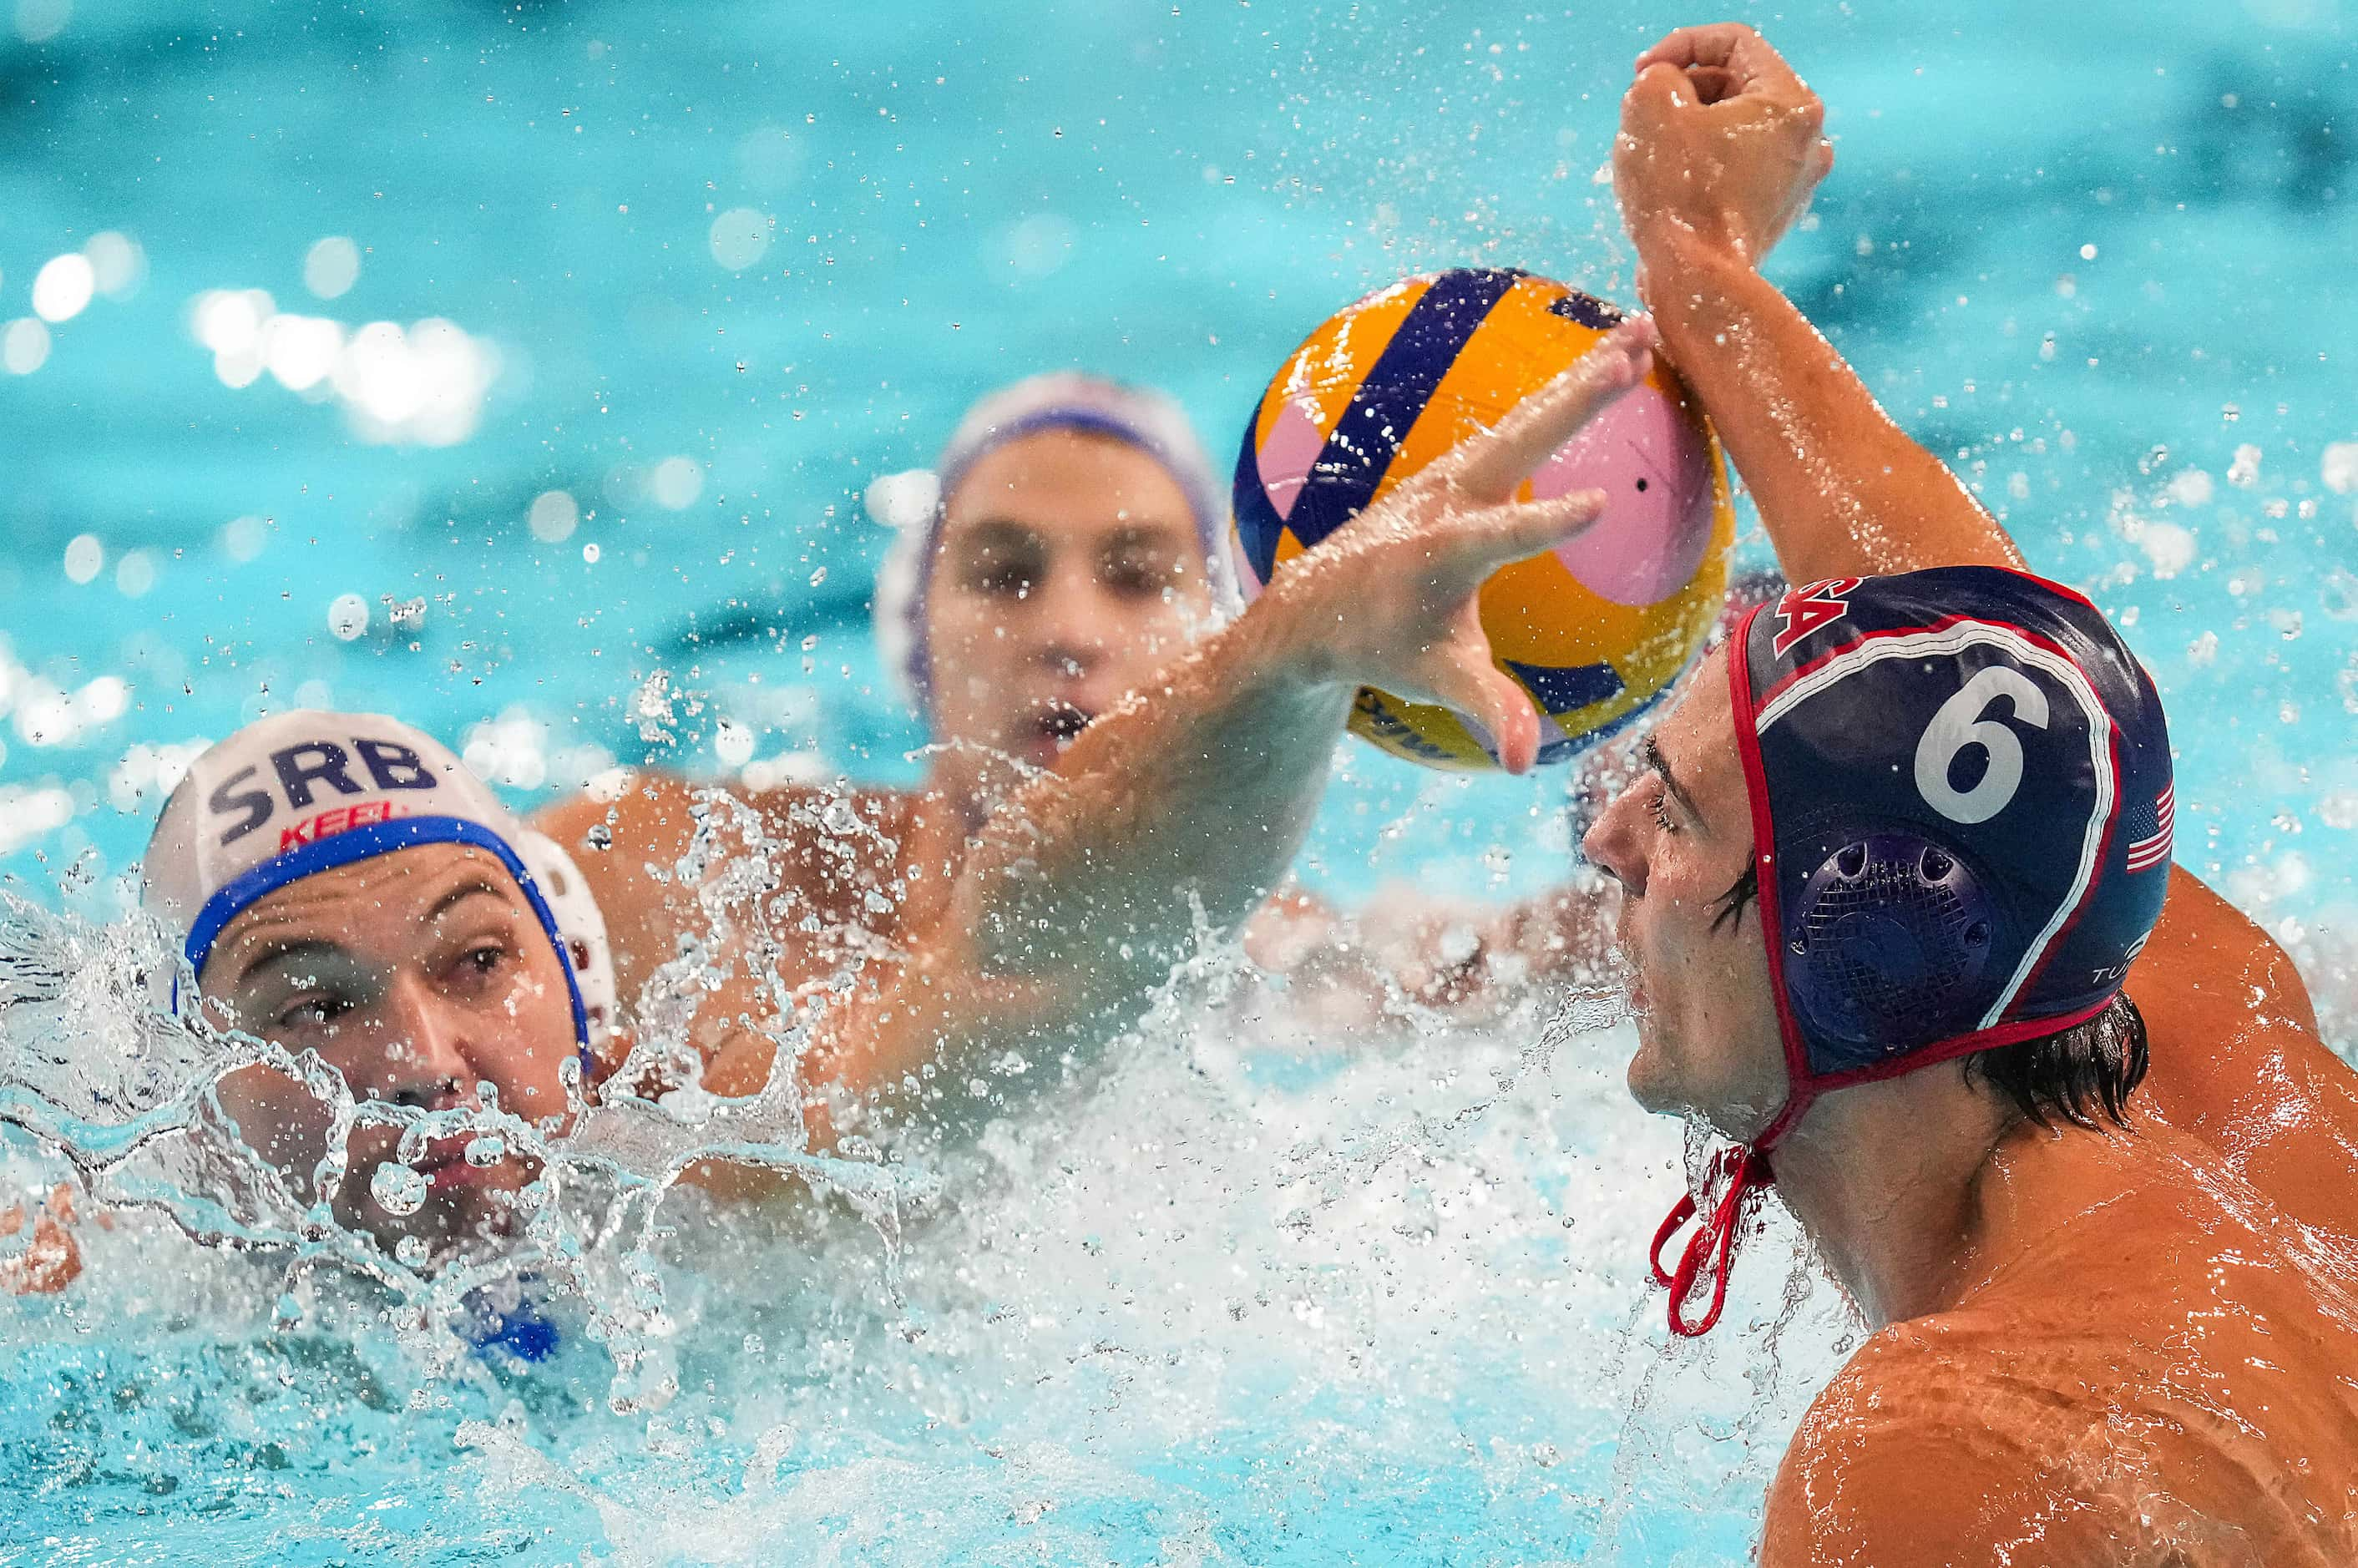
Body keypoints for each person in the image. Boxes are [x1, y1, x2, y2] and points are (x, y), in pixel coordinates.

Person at [1586, 23, 2358, 1563]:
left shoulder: (1950, 1461)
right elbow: (1984, 657)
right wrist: (1699, 263)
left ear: (1851, 950)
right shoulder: (2226, 1075)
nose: (1605, 835)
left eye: (1672, 812)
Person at [535, 372, 1634, 1130]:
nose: (1066, 630)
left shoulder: (1285, 965)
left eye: (1137, 575)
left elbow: (1582, 953)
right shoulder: (675, 865)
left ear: (1213, 638)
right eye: (1005, 574)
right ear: (919, 645)